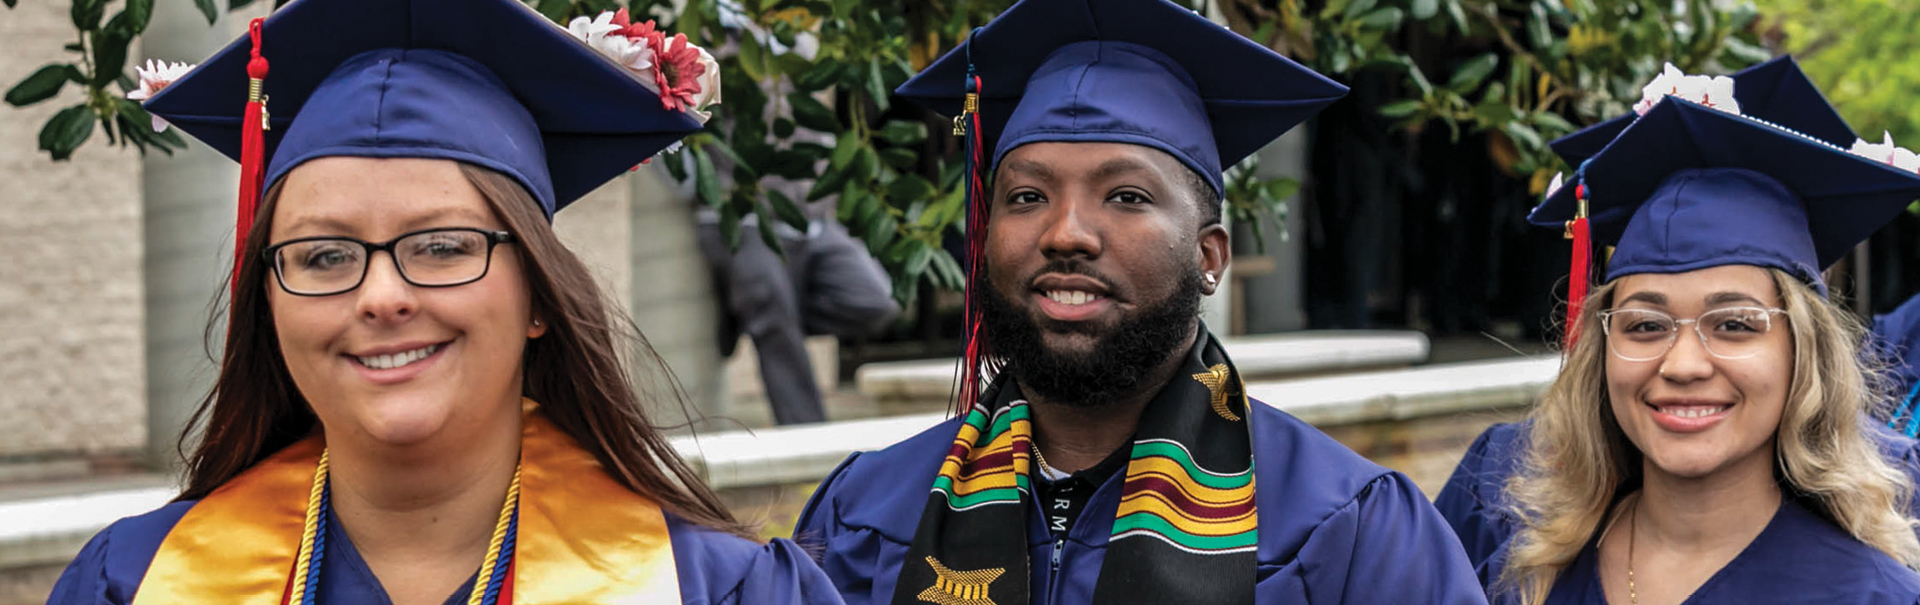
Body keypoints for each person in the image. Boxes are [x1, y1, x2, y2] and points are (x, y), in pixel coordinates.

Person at [44, 0, 843, 603]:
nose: (382, 295)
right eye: (323, 255)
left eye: (443, 246)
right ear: (270, 302)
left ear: (537, 293)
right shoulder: (133, 583)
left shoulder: (715, 588)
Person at [792, 0, 1487, 603]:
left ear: (1209, 256)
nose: (1065, 232)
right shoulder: (865, 516)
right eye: (1027, 196)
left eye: (1127, 196)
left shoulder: (1350, 532)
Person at [1435, 57, 1920, 570]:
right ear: (1599, 342)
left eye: (1734, 324)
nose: (1683, 364)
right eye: (1645, 325)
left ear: (1805, 350)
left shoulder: (1883, 530)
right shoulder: (1505, 490)